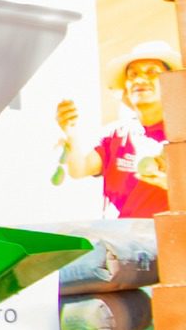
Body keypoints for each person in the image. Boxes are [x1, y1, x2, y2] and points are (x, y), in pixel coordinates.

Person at [56, 41, 180, 217]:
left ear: (170, 83)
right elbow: (79, 169)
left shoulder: (180, 137)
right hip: (114, 240)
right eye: (132, 74)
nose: (139, 79)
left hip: (163, 240)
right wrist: (70, 130)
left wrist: (170, 184)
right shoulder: (115, 133)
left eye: (152, 72)